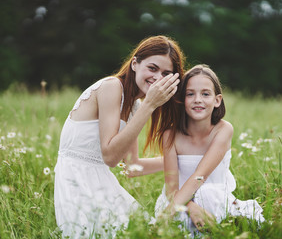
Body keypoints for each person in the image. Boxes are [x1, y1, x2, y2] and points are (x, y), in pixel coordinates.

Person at [54, 35, 185, 238]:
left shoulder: (135, 106)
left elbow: (132, 167)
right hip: (76, 181)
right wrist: (150, 105)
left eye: (166, 73)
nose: (158, 78)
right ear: (134, 64)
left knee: (147, 232)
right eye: (152, 68)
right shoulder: (111, 87)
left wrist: (178, 160)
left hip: (100, 180)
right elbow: (110, 157)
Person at [154, 64, 265, 236]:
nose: (198, 99)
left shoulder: (223, 130)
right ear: (182, 100)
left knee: (215, 206)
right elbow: (171, 188)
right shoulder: (170, 135)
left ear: (217, 100)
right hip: (178, 201)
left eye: (205, 94)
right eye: (190, 94)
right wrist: (190, 207)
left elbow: (200, 176)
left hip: (216, 199)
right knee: (178, 224)